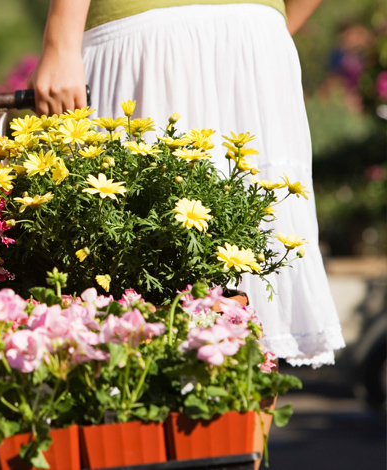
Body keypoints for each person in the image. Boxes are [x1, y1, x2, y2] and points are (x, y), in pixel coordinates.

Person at [29, 0, 344, 367]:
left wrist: (61, 43)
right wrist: (255, 32)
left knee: (135, 313)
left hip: (155, 37)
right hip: (237, 44)